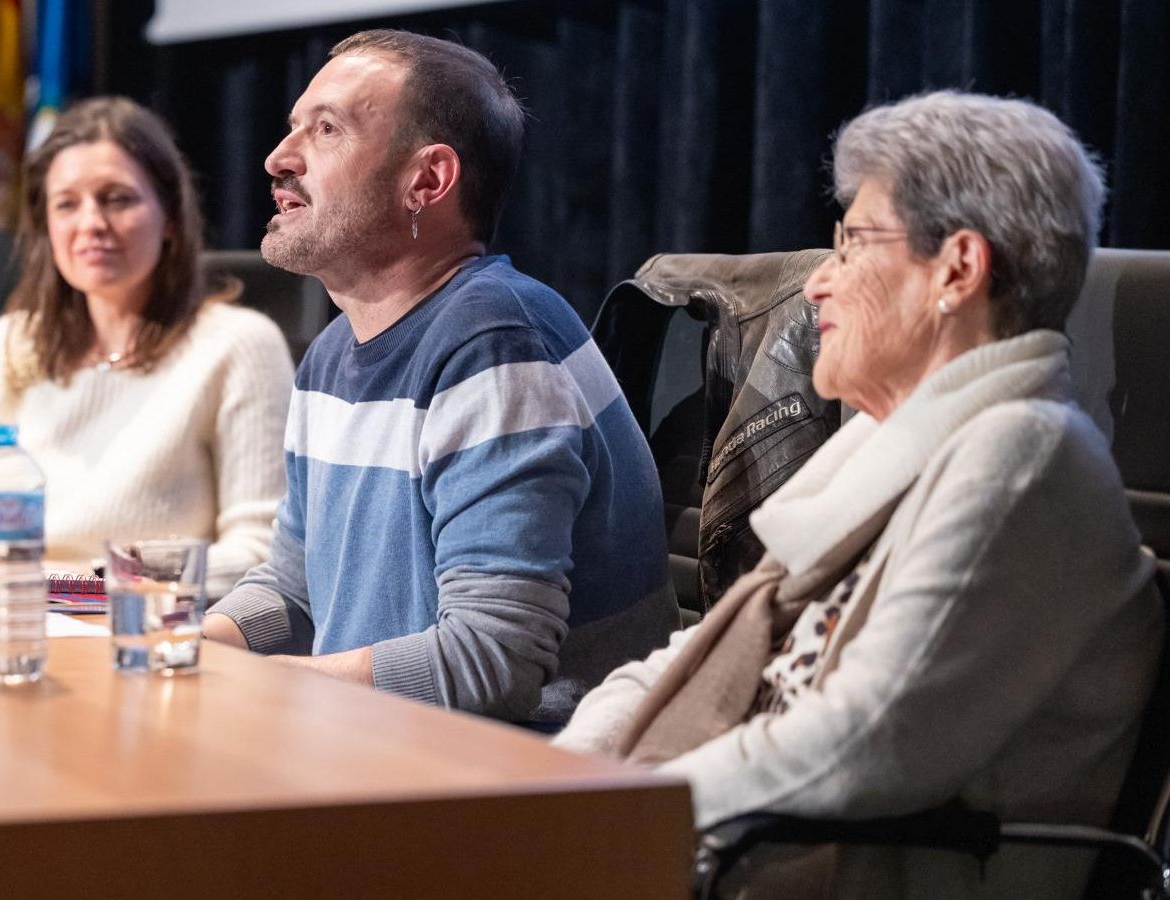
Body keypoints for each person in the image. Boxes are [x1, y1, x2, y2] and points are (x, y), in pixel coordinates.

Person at [553, 91, 1163, 898]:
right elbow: (697, 659)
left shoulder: (1022, 456)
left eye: (853, 245)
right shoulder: (884, 442)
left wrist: (604, 807)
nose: (816, 285)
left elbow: (862, 745)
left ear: (957, 270)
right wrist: (554, 772)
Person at [204, 30, 676, 726]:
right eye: (290, 128)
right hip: (379, 747)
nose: (279, 158)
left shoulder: (495, 344)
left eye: (326, 130)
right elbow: (295, 586)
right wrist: (178, 644)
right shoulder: (333, 354)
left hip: (518, 779)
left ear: (427, 181)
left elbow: (492, 661)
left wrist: (267, 688)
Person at [0, 97, 293, 595]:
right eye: (67, 204)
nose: (91, 224)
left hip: (142, 630)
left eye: (117, 199)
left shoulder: (238, 346)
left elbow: (261, 554)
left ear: (170, 216)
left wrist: (87, 583)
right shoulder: (6, 344)